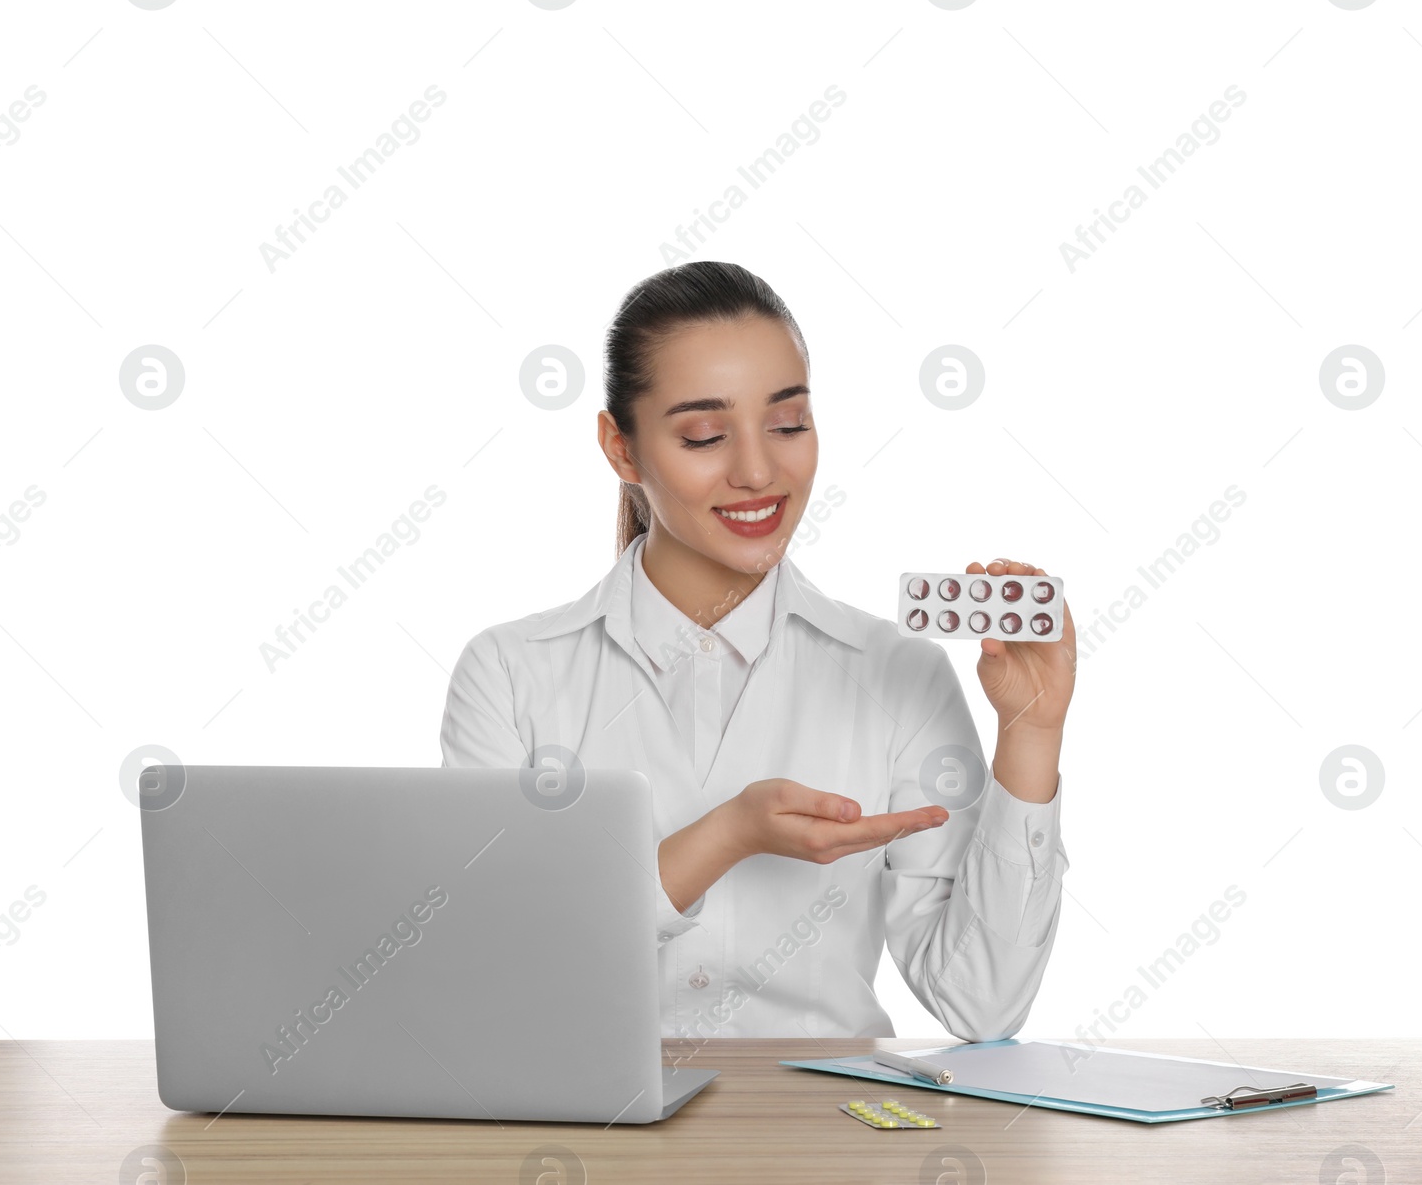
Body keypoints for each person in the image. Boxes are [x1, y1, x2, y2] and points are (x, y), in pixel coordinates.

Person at [441, 261, 1076, 1042]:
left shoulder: (898, 673)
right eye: (704, 435)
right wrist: (726, 836)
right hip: (591, 1142)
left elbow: (981, 1006)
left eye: (787, 425)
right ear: (622, 449)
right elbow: (505, 965)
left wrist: (1032, 734)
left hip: (829, 1138)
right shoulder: (511, 673)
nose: (756, 472)